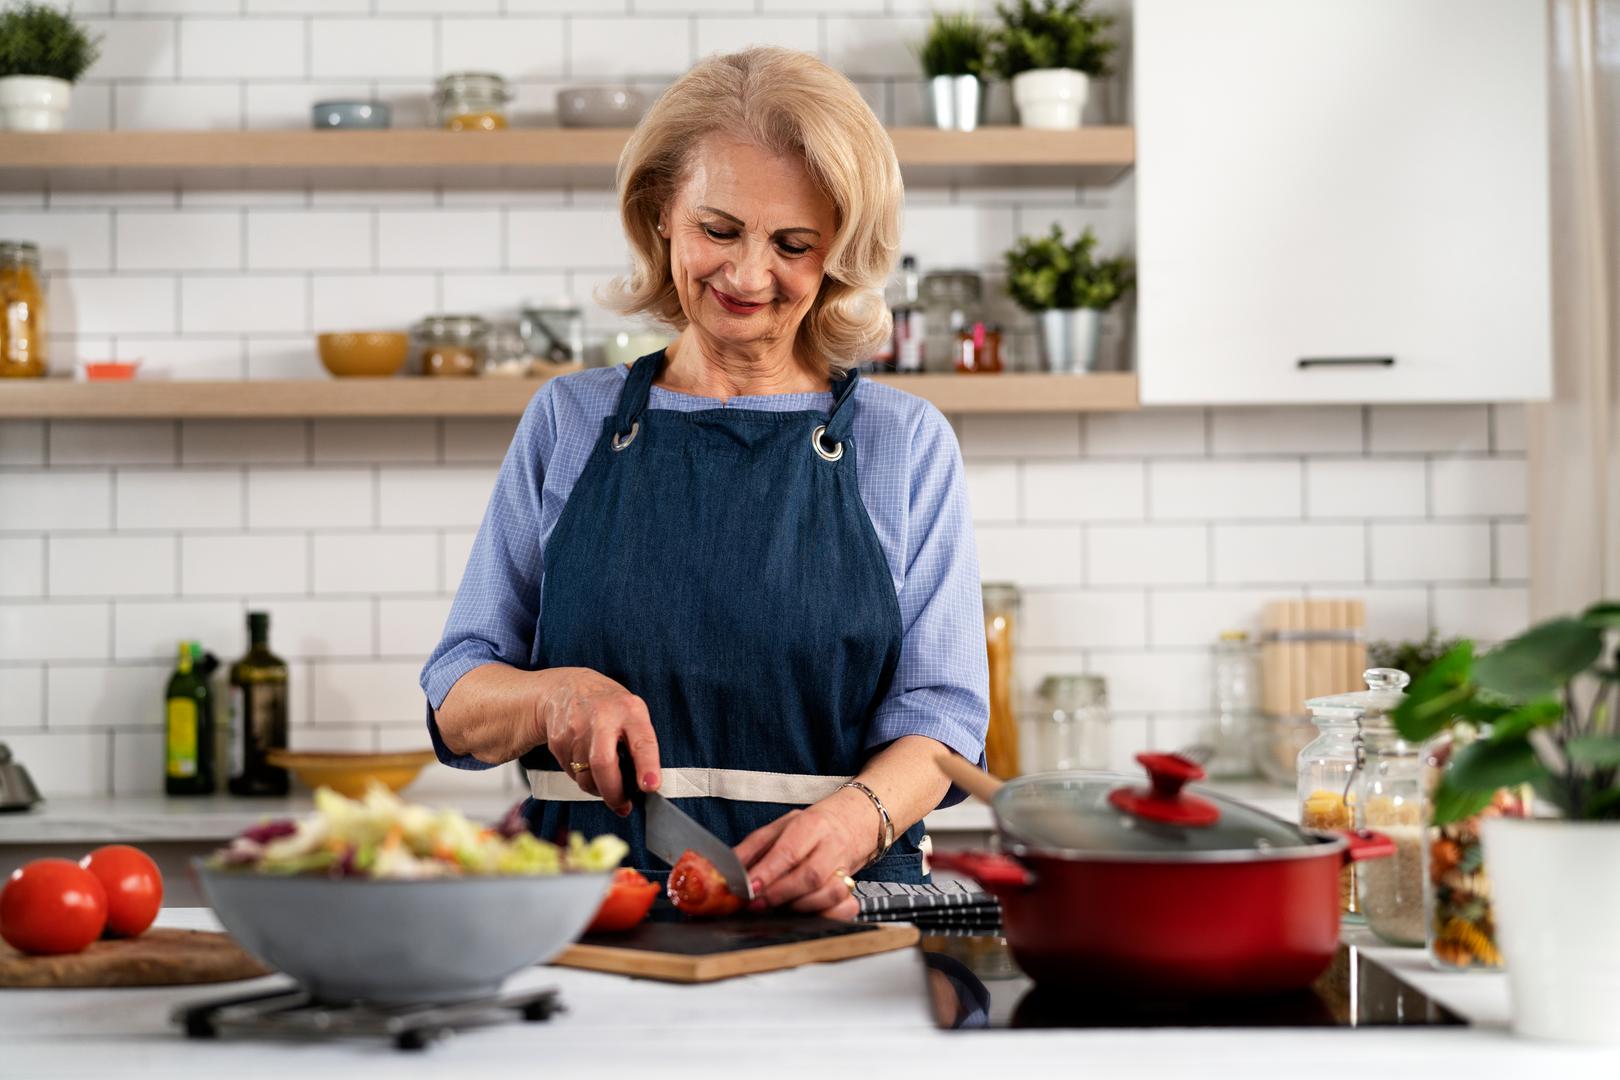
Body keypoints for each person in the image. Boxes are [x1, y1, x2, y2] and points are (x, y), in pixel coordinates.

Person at [420, 47, 988, 920]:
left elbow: (944, 722)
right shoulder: (570, 422)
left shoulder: (904, 443)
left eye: (793, 244)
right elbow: (459, 694)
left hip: (835, 915)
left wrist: (854, 820)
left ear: (839, 251)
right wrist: (553, 694)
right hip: (585, 918)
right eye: (718, 231)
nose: (749, 275)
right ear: (660, 216)